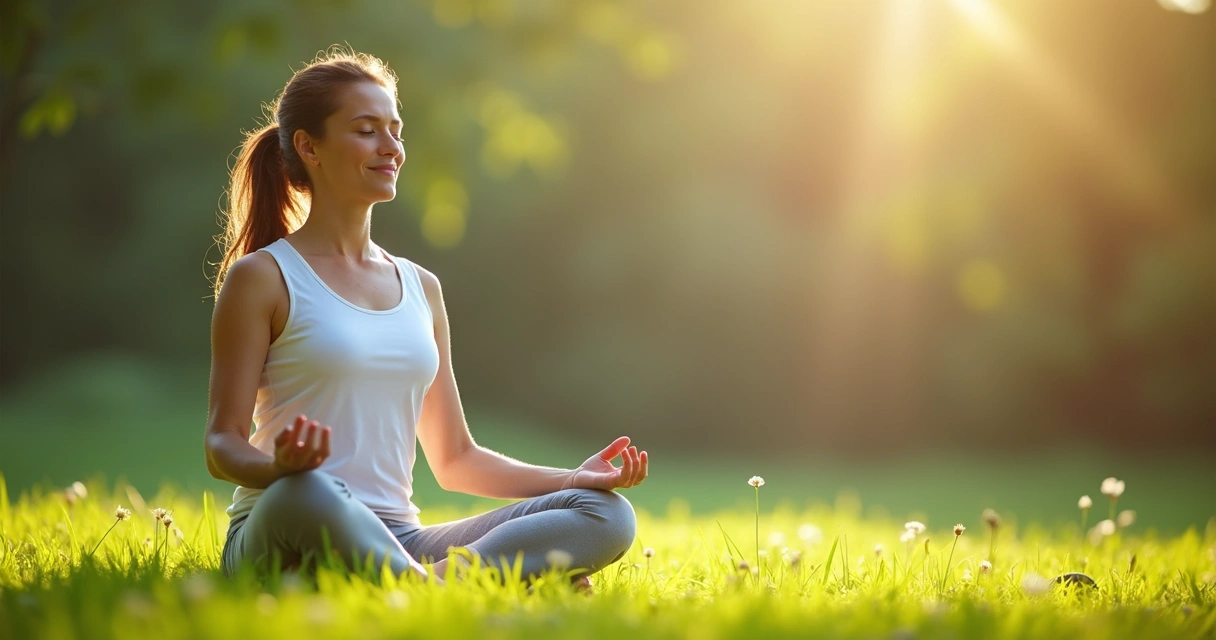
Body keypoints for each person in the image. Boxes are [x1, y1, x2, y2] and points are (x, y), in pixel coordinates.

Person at [203, 47, 648, 591]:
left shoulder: (421, 288)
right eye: (367, 131)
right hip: (285, 526)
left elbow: (456, 457)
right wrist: (282, 471)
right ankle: (467, 586)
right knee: (311, 491)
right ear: (308, 146)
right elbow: (221, 443)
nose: (391, 147)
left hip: (399, 539)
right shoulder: (263, 277)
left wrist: (574, 478)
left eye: (396, 130)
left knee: (605, 513)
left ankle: (422, 584)